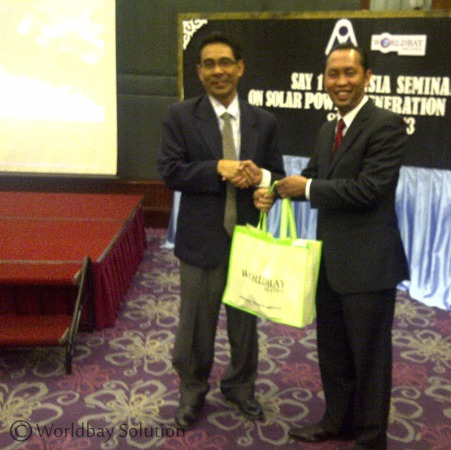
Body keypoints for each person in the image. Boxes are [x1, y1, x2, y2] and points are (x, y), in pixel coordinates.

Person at [275, 43, 409, 449]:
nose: (341, 81)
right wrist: (273, 189)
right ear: (324, 79)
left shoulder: (386, 125)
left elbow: (369, 189)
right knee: (333, 351)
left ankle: (370, 438)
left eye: (350, 73)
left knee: (369, 359)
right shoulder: (327, 130)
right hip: (330, 263)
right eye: (333, 73)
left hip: (369, 267)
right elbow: (313, 176)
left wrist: (307, 187)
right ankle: (337, 422)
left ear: (367, 77)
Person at [157, 33, 285, 430]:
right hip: (201, 241)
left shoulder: (264, 121)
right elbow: (170, 171)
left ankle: (240, 387)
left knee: (245, 323)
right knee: (196, 323)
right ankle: (192, 390)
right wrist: (216, 168)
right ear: (199, 72)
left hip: (248, 239)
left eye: (225, 62)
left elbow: (276, 175)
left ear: (240, 68)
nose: (218, 71)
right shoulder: (181, 116)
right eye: (209, 64)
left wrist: (266, 189)